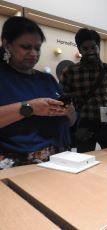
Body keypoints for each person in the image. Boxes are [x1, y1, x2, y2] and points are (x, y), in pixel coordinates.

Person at [0, 16, 76, 169]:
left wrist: (70, 112)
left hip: (62, 158)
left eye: (37, 47)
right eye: (26, 47)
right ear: (7, 44)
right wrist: (30, 108)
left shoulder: (47, 79)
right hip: (19, 165)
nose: (34, 53)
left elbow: (72, 121)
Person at [60, 28, 107, 153]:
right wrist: (75, 126)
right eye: (85, 49)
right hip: (84, 125)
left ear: (98, 47)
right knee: (84, 161)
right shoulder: (70, 72)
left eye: (93, 47)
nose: (90, 52)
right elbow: (63, 102)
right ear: (79, 50)